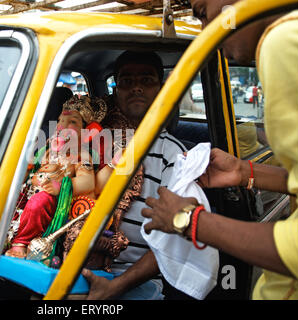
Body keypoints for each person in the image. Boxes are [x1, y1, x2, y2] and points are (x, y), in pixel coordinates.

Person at [142, 0, 298, 300]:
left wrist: (190, 220)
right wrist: (245, 171)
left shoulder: (282, 43)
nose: (207, 33)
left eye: (203, 14)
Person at [82, 50, 201, 300]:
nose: (136, 88)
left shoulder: (174, 155)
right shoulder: (93, 142)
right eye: (126, 81)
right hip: (75, 270)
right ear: (116, 91)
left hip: (134, 282)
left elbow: (174, 242)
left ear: (161, 89)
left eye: (146, 80)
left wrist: (116, 286)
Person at [4, 95, 107, 258]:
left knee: (39, 202)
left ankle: (20, 244)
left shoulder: (82, 155)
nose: (62, 126)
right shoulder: (46, 150)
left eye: (72, 122)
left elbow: (87, 183)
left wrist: (61, 186)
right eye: (60, 121)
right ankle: (2, 237)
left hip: (52, 199)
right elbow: (29, 169)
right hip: (29, 191)